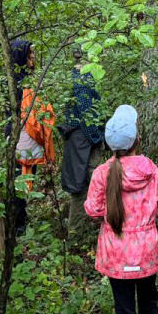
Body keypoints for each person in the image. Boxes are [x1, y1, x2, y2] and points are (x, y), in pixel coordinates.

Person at [85, 104, 158, 314]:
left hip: (116, 253)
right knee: (149, 305)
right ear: (137, 140)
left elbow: (92, 209)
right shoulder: (150, 170)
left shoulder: (102, 174)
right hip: (145, 251)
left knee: (123, 311)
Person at [9, 38, 56, 237]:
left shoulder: (27, 79)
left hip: (30, 137)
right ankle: (18, 223)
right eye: (30, 55)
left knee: (27, 177)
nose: (33, 58)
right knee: (22, 177)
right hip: (22, 137)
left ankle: (20, 218)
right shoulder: (15, 83)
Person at [60, 47, 103, 238]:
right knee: (80, 186)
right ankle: (76, 235)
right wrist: (96, 136)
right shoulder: (82, 77)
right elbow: (86, 110)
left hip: (80, 138)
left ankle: (81, 232)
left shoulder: (78, 75)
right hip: (82, 139)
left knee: (84, 183)